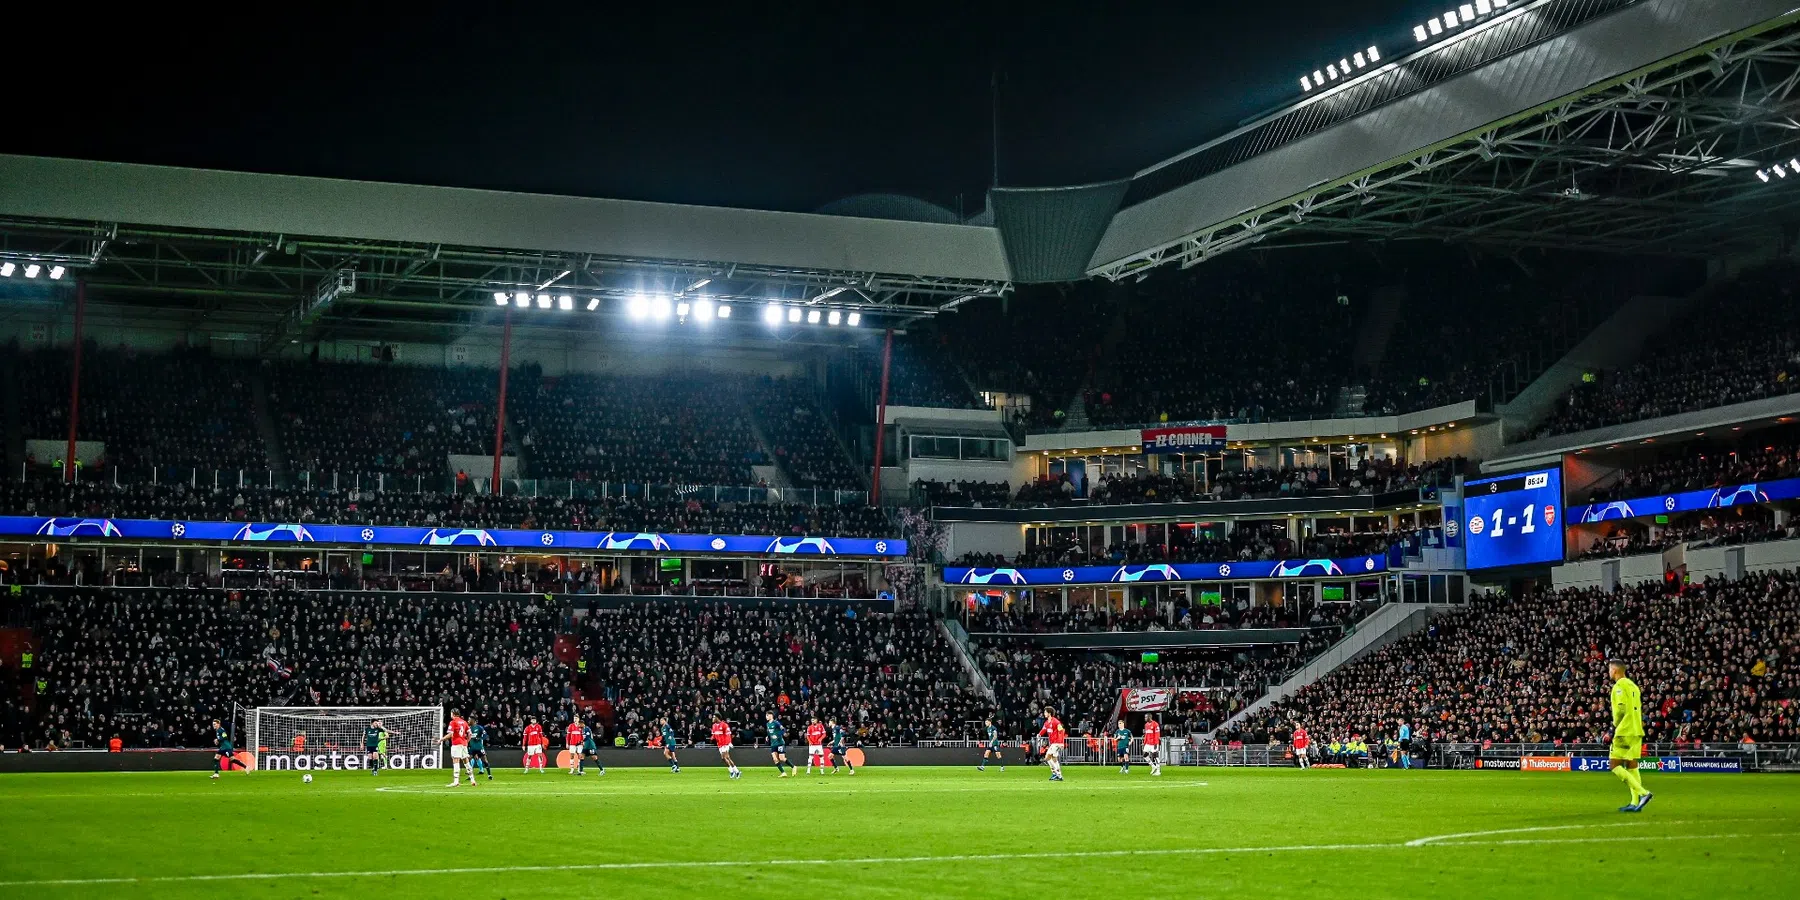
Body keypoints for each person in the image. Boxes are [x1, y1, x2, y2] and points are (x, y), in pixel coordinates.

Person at [1608, 660, 1652, 812]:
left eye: (1610, 669)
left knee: (1614, 765)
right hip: (1636, 729)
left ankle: (1643, 793)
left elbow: (1620, 709)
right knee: (1631, 764)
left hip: (1624, 730)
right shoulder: (1634, 686)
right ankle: (1635, 803)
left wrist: (1613, 728)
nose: (1609, 672)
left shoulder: (1619, 686)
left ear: (1615, 670)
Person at [1038, 707, 1067, 782]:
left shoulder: (1056, 722)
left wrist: (1061, 743)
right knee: (1054, 759)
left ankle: (1055, 774)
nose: (1044, 714)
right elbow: (1044, 729)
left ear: (1049, 713)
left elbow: (1061, 731)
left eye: (1045, 712)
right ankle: (1059, 775)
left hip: (1057, 743)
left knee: (1047, 757)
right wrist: (1039, 734)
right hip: (1053, 743)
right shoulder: (1047, 723)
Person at [444, 710, 472, 787]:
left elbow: (450, 734)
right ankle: (472, 780)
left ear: (453, 714)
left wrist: (441, 739)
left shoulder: (453, 722)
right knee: (466, 761)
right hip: (463, 744)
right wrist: (466, 742)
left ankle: (456, 782)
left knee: (456, 761)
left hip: (456, 743)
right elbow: (470, 733)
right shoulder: (464, 722)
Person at [711, 714, 742, 779]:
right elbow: (714, 734)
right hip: (719, 745)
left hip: (725, 744)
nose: (712, 718)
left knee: (724, 757)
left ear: (717, 718)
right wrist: (712, 738)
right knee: (726, 758)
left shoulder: (724, 725)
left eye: (714, 717)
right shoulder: (713, 726)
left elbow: (728, 735)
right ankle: (737, 771)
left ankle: (732, 771)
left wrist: (729, 743)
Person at [765, 712, 793, 777]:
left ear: (771, 716)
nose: (766, 717)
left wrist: (778, 735)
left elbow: (783, 729)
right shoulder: (767, 724)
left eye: (767, 715)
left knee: (782, 758)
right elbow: (769, 732)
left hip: (780, 743)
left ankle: (793, 767)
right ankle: (783, 772)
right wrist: (767, 736)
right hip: (773, 743)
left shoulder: (776, 723)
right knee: (775, 759)